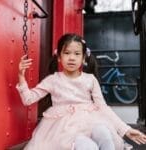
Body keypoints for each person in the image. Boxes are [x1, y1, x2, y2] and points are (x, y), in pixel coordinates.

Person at [16, 33, 146, 150]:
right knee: (88, 147)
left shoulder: (90, 79)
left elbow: (103, 108)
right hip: (64, 129)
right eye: (67, 53)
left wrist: (126, 130)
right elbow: (28, 99)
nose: (72, 58)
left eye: (77, 54)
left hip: (91, 121)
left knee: (105, 135)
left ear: (83, 58)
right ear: (59, 57)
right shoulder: (53, 80)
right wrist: (21, 76)